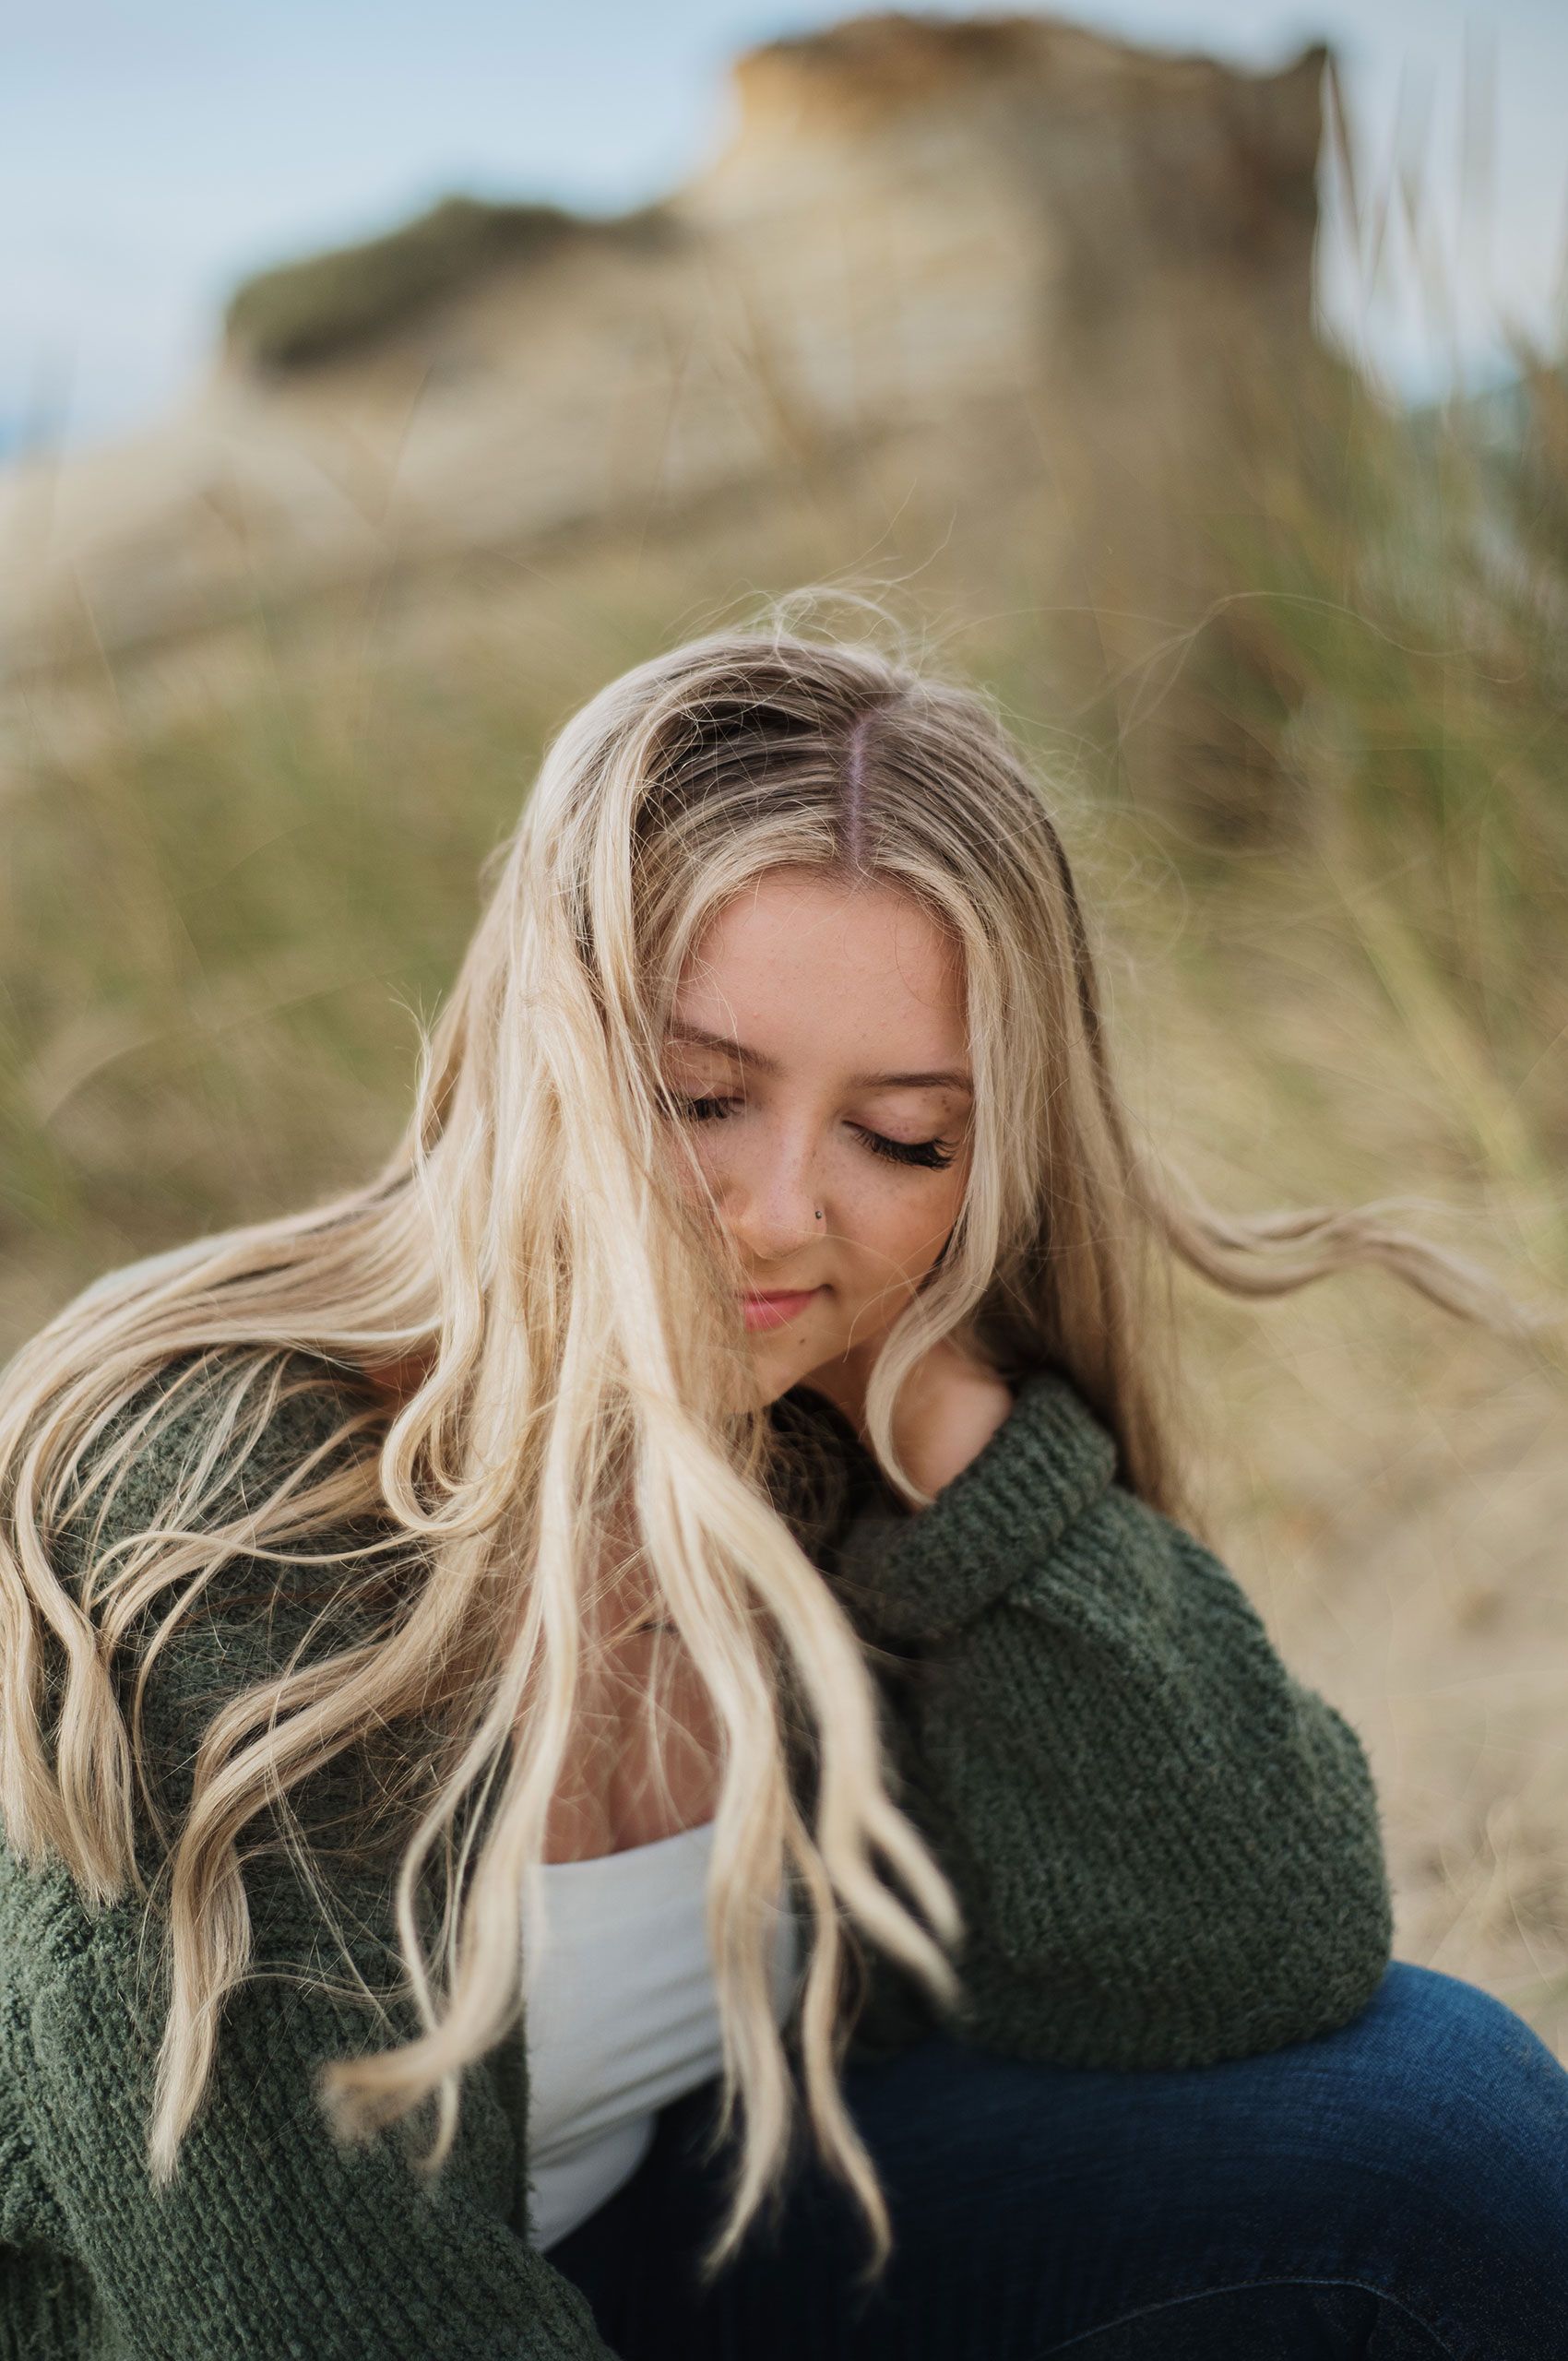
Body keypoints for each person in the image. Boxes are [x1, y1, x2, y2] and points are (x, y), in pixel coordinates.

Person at [1, 601, 1564, 2360]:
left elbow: (1248, 1948)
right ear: (545, 1042)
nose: (782, 1215)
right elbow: (293, 2318)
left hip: (675, 2245)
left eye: (904, 1135)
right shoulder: (217, 1495)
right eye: (700, 1096)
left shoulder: (824, 1446)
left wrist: (947, 1414)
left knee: (1442, 2131)